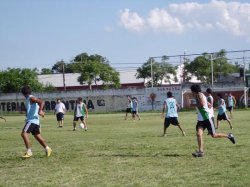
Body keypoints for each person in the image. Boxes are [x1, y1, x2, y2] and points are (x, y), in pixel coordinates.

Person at [190, 84, 235, 158]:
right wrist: (209, 103)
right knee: (199, 134)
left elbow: (202, 104)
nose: (191, 92)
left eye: (192, 90)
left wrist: (193, 104)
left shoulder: (199, 95)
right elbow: (205, 102)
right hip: (201, 119)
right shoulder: (199, 95)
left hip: (207, 118)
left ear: (194, 90)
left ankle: (229, 136)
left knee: (214, 135)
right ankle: (201, 152)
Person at [21, 86, 52, 158]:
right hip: (34, 120)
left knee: (24, 134)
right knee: (37, 136)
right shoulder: (28, 99)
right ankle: (48, 148)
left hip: (32, 120)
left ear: (23, 93)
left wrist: (40, 111)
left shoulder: (31, 98)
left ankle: (29, 151)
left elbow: (41, 102)